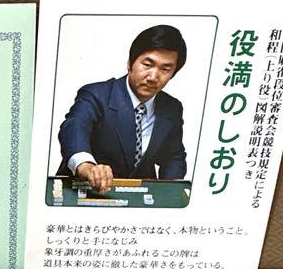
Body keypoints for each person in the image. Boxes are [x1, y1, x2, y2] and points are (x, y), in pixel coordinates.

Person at [58, 24, 188, 190]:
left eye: (165, 69)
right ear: (130, 63)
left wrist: (168, 191)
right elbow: (75, 126)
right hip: (87, 191)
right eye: (147, 65)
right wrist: (86, 166)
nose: (153, 77)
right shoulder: (96, 95)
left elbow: (173, 155)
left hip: (138, 197)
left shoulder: (172, 107)